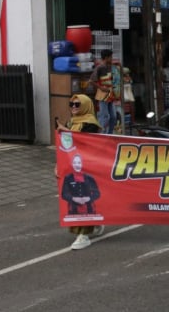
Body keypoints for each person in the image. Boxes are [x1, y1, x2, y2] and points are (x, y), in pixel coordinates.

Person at [56, 94, 105, 250]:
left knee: (84, 199)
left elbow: (85, 142)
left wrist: (65, 131)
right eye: (71, 104)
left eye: (77, 104)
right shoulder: (71, 122)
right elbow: (63, 146)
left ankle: (83, 234)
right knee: (73, 198)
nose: (73, 108)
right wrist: (58, 165)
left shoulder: (91, 123)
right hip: (72, 165)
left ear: (85, 105)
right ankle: (95, 223)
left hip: (87, 167)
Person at [90, 49, 121, 134]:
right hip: (102, 94)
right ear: (106, 58)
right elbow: (91, 81)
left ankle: (109, 134)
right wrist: (101, 88)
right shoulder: (100, 68)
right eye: (110, 57)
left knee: (113, 116)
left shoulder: (111, 67)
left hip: (111, 95)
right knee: (104, 116)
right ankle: (102, 134)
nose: (112, 58)